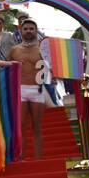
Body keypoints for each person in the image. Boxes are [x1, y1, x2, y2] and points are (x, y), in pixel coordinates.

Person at [8, 17, 57, 159]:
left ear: (36, 31)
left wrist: (52, 75)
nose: (28, 31)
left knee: (37, 126)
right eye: (26, 29)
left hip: (37, 90)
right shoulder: (14, 50)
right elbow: (6, 68)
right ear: (21, 31)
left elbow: (52, 67)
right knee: (21, 126)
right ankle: (22, 159)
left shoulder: (43, 50)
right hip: (20, 90)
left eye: (31, 29)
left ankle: (39, 160)